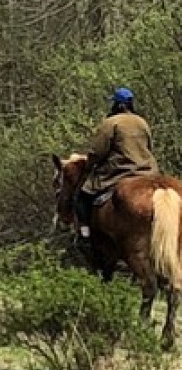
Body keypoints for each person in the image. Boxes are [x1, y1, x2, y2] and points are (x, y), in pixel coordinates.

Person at [74, 86, 159, 254]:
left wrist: (90, 165)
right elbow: (149, 146)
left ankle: (85, 236)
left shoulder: (111, 123)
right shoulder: (142, 122)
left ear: (118, 105)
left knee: (82, 197)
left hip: (118, 171)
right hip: (147, 171)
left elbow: (98, 151)